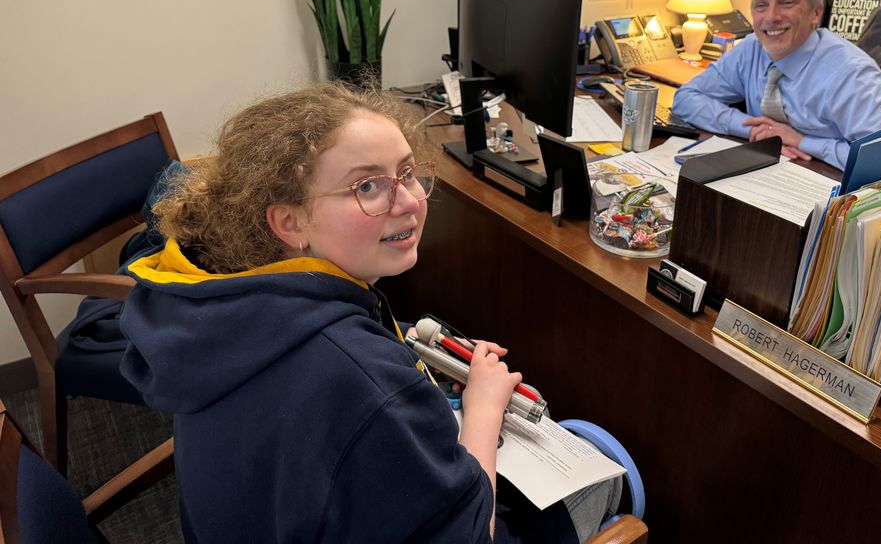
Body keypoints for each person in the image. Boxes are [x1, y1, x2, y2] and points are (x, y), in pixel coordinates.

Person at [119, 83, 617, 543]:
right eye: (367, 187)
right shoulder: (366, 383)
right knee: (609, 474)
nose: (411, 200)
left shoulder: (212, 308)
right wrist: (483, 409)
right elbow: (471, 534)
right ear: (289, 221)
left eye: (407, 173)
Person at [671, 0, 881, 169]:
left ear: (815, 13)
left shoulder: (852, 74)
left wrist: (802, 141)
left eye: (787, 3)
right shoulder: (751, 49)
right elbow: (686, 99)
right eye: (760, 5)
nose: (771, 17)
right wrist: (753, 130)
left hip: (838, 192)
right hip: (772, 171)